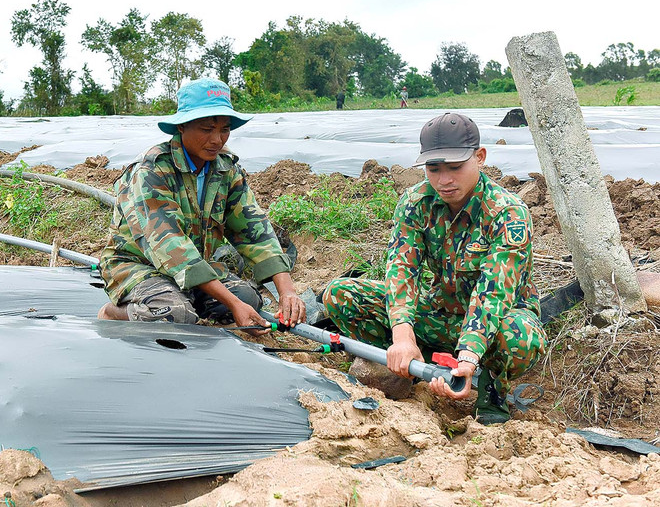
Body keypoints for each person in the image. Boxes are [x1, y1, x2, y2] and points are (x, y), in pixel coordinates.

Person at [321, 112, 546, 424]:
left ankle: (491, 389)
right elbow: (401, 269)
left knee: (521, 338)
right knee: (340, 295)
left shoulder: (507, 213)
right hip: (439, 311)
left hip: (495, 322)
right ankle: (406, 365)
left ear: (479, 157)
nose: (444, 180)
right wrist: (403, 336)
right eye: (433, 169)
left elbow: (494, 293)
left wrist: (467, 356)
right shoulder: (416, 202)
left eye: (455, 167)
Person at [98, 78, 306, 332]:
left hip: (194, 270)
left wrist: (288, 292)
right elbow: (171, 247)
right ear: (182, 126)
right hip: (137, 265)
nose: (217, 140)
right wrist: (232, 303)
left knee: (248, 298)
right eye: (207, 129)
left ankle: (185, 296)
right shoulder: (152, 171)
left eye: (224, 130)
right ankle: (112, 313)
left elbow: (254, 230)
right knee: (174, 315)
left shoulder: (225, 169)